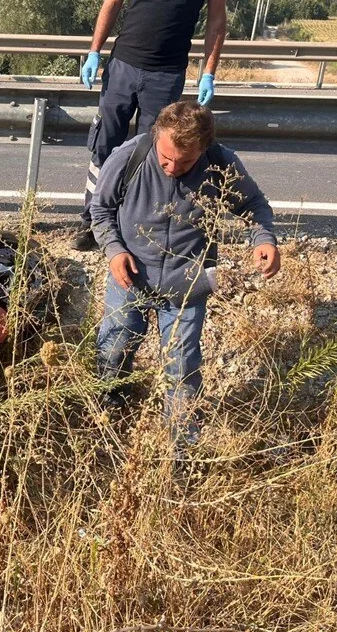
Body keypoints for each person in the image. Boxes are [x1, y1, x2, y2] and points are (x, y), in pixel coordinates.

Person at [90, 101, 279, 450]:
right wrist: (114, 251)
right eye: (165, 158)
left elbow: (254, 205)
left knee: (182, 364)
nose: (172, 167)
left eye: (185, 161)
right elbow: (99, 210)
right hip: (129, 277)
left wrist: (263, 239)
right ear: (155, 137)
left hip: (188, 284)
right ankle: (106, 415)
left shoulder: (220, 163)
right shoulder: (129, 156)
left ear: (203, 149)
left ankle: (183, 448)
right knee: (114, 348)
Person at [72, 0, 230, 251]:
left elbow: (217, 20)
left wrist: (208, 72)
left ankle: (134, 227)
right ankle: (92, 222)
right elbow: (112, 0)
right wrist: (94, 51)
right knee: (104, 147)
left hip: (166, 74)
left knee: (150, 153)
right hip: (123, 66)